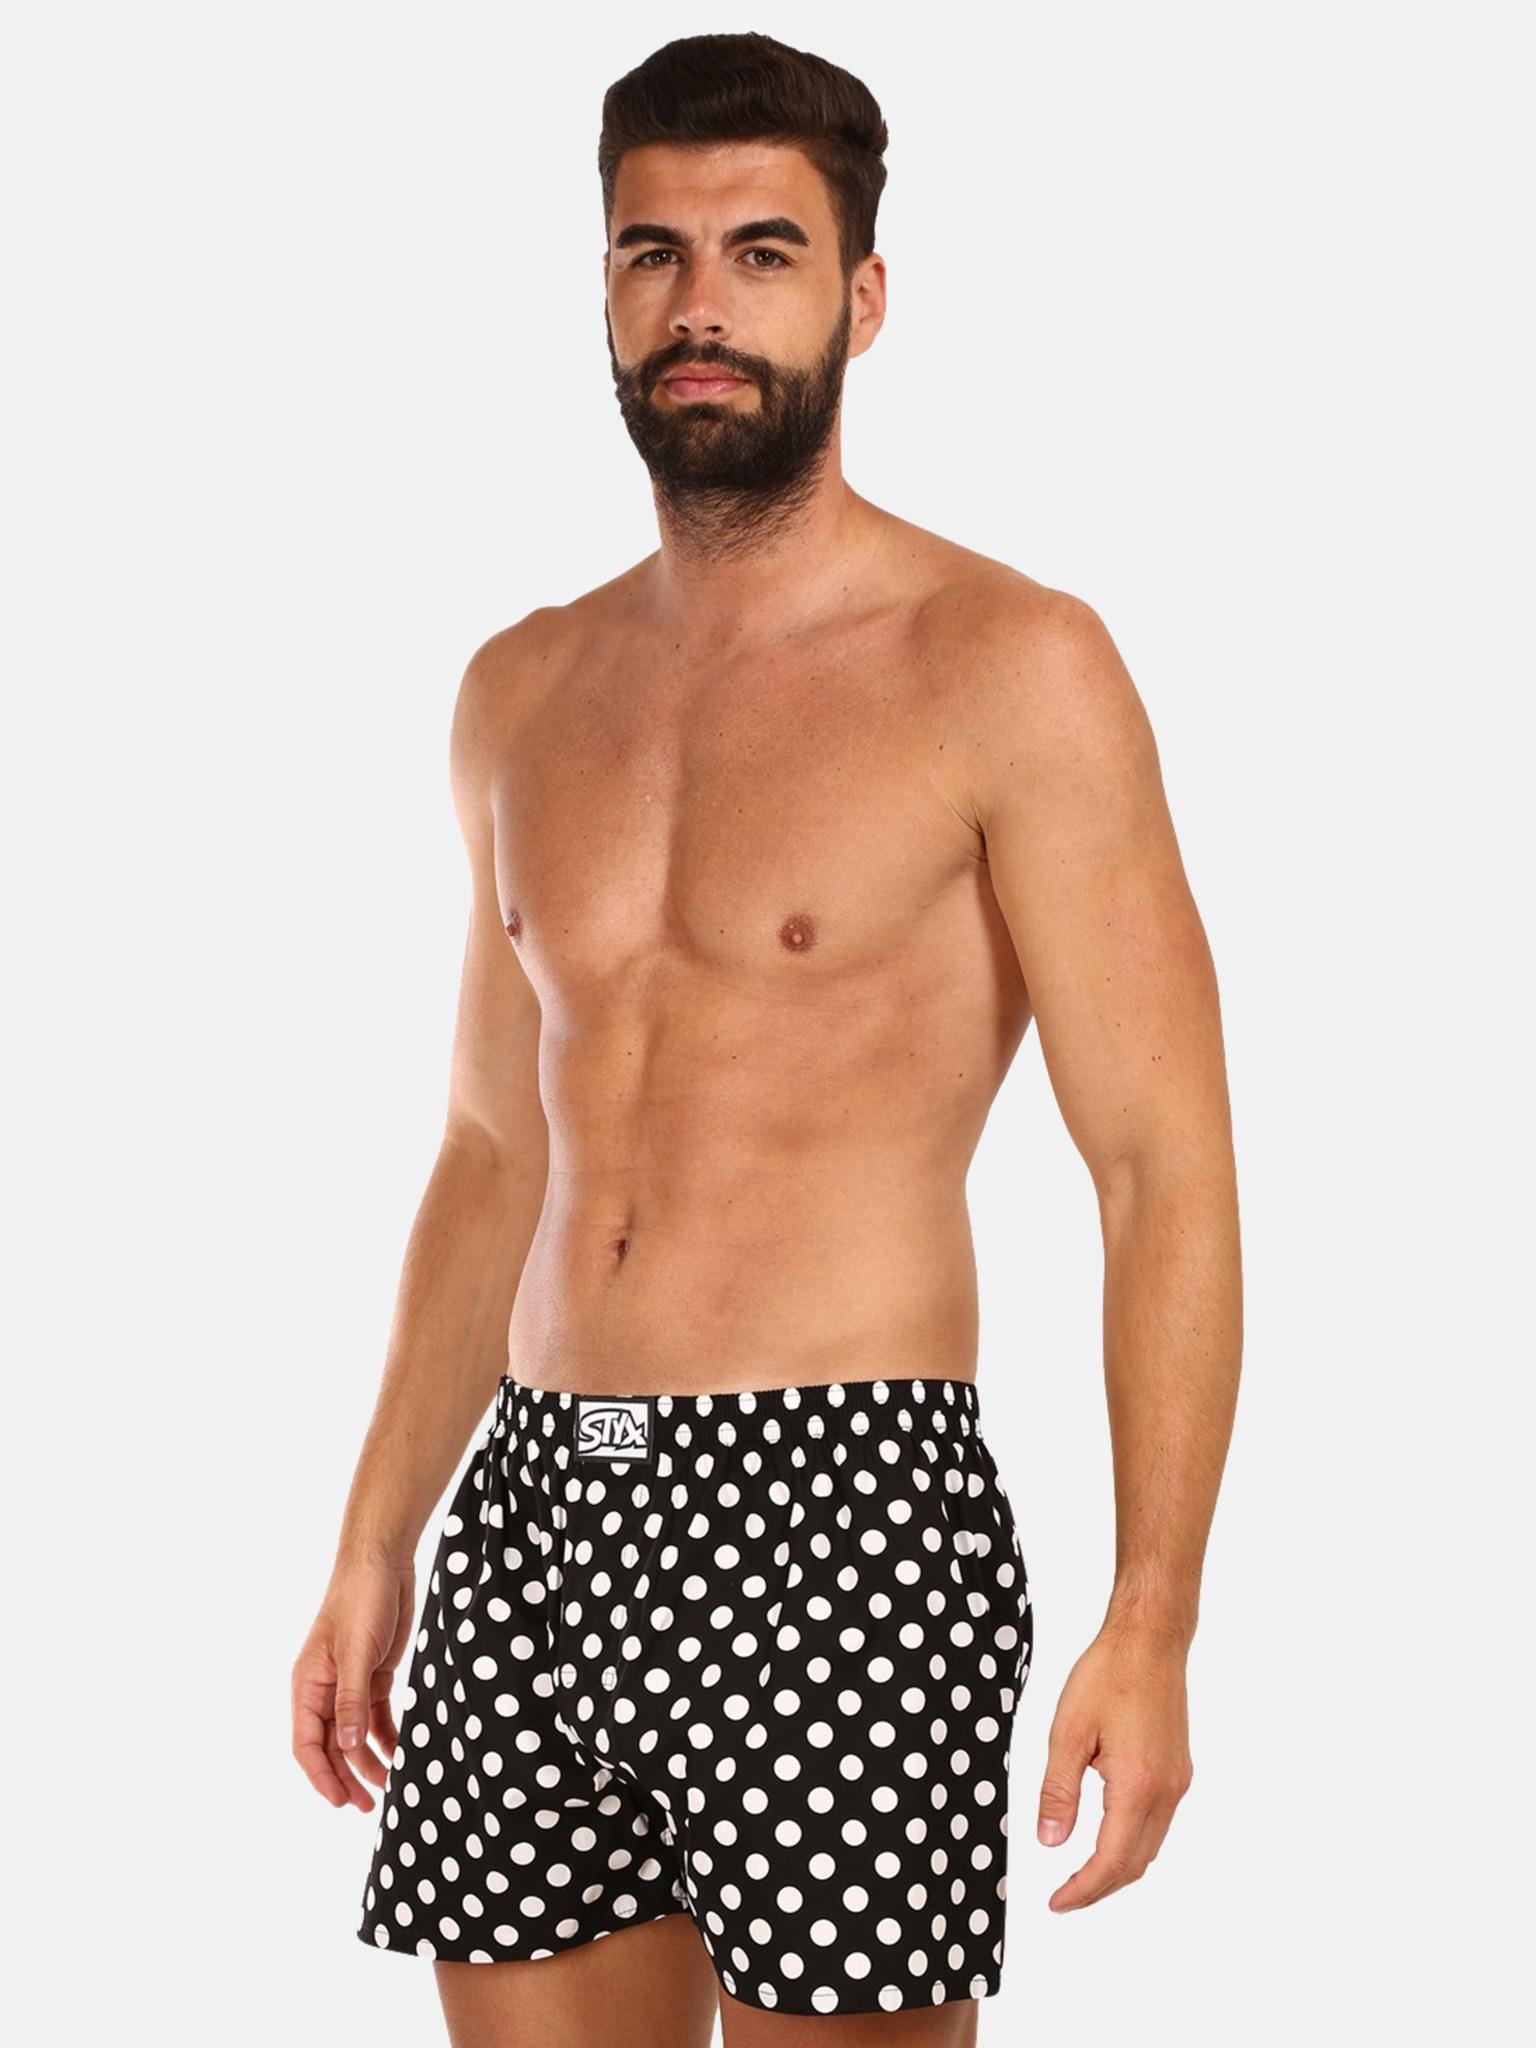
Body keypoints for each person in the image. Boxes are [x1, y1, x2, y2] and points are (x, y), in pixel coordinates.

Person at [292, 30, 1242, 2045]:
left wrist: (1151, 1616)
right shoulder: (522, 689)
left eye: (762, 252)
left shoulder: (1009, 664)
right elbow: (494, 1149)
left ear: (862, 299)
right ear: (606, 292)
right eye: (654, 254)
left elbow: (1160, 1164)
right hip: (537, 1503)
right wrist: (380, 1531)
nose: (699, 305)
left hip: (843, 1511)